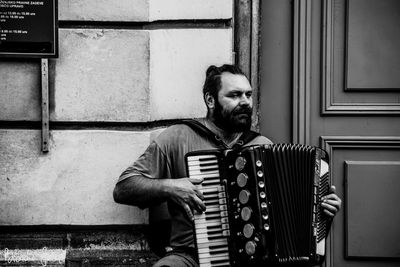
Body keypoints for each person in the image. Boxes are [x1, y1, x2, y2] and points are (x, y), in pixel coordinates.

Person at [113, 64, 342, 267]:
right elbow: (124, 188)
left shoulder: (262, 147)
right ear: (210, 100)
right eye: (234, 95)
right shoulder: (177, 137)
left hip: (256, 259)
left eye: (248, 95)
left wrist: (321, 213)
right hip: (191, 257)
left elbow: (288, 221)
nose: (245, 102)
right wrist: (171, 187)